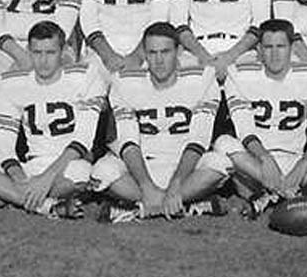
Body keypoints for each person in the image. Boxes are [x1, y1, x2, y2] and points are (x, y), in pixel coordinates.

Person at [90, 22, 231, 222]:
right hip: (143, 165)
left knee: (222, 164)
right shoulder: (125, 82)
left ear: (179, 52)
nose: (158, 60)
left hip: (185, 166)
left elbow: (199, 140)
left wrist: (176, 184)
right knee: (100, 173)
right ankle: (182, 205)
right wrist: (146, 185)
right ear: (144, 55)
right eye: (152, 53)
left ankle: (141, 208)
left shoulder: (202, 79)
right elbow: (128, 142)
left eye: (165, 52)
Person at [0, 21, 106, 218]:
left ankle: (9, 196)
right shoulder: (12, 83)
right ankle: (45, 205)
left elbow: (83, 140)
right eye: (37, 53)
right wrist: (20, 179)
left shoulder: (85, 77)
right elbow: (4, 147)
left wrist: (46, 178)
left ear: (63, 51)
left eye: (50, 52)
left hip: (67, 164)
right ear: (29, 52)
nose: (43, 60)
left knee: (82, 172)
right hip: (30, 166)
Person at [216, 19, 307, 213]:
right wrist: (265, 158)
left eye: (281, 46)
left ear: (291, 48)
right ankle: (286, 193)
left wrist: (303, 164)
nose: (275, 53)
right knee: (223, 143)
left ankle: (272, 195)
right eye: (268, 47)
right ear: (259, 50)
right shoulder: (239, 75)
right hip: (256, 163)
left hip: (296, 163)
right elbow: (245, 130)